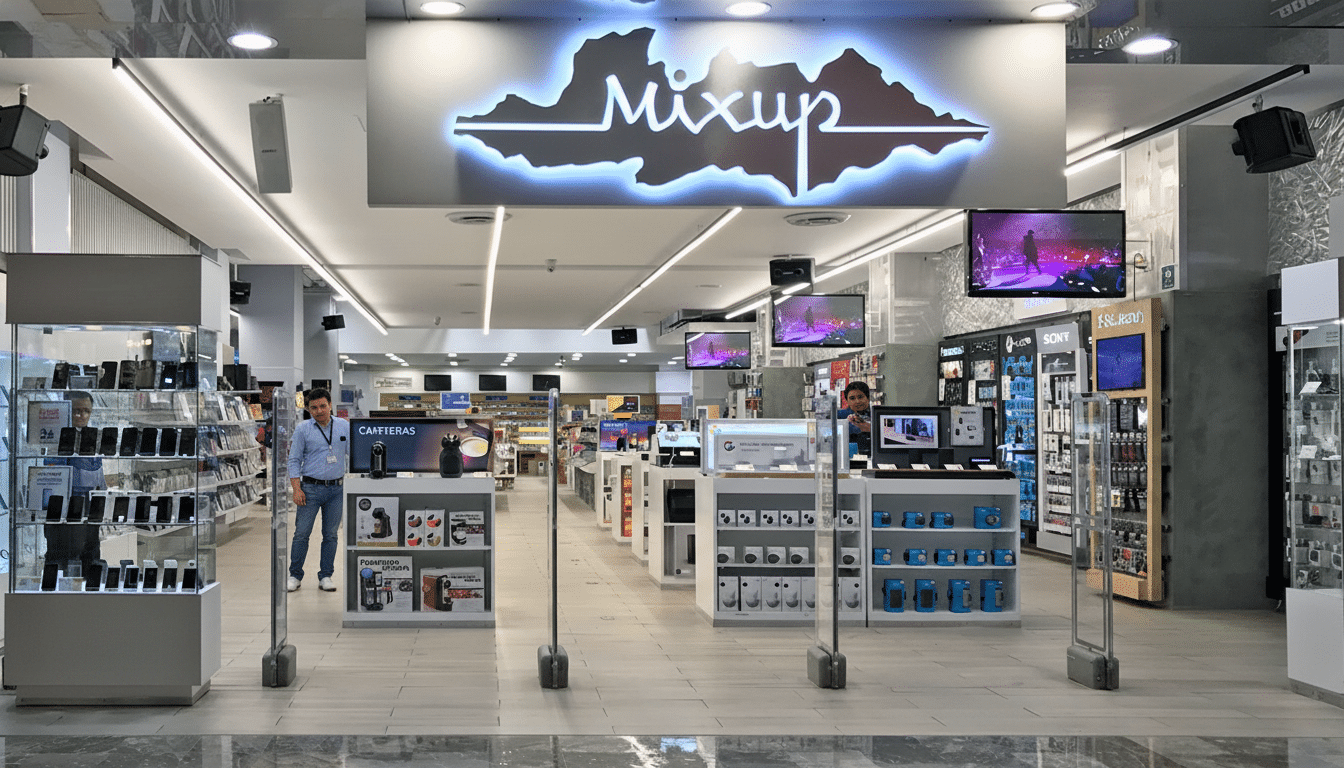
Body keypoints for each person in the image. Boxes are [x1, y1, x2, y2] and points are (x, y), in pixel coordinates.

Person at [287, 388, 350, 592]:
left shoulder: (344, 426)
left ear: (330, 405)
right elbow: (294, 460)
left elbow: (354, 454)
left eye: (323, 406)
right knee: (301, 534)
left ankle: (326, 576)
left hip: (336, 490)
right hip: (310, 489)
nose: (319, 410)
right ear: (308, 409)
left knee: (330, 535)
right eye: (314, 407)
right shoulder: (303, 429)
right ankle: (295, 575)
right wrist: (296, 489)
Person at [44, 391, 104, 576]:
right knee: (66, 563)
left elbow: (98, 477)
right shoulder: (55, 438)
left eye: (86, 411)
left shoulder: (93, 437)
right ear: (66, 411)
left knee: (90, 560)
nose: (82, 415)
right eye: (77, 410)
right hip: (64, 512)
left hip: (90, 509)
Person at [837, 381, 872, 455]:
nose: (857, 401)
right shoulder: (839, 416)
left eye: (860, 397)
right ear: (847, 401)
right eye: (852, 398)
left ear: (868, 398)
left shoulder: (876, 416)